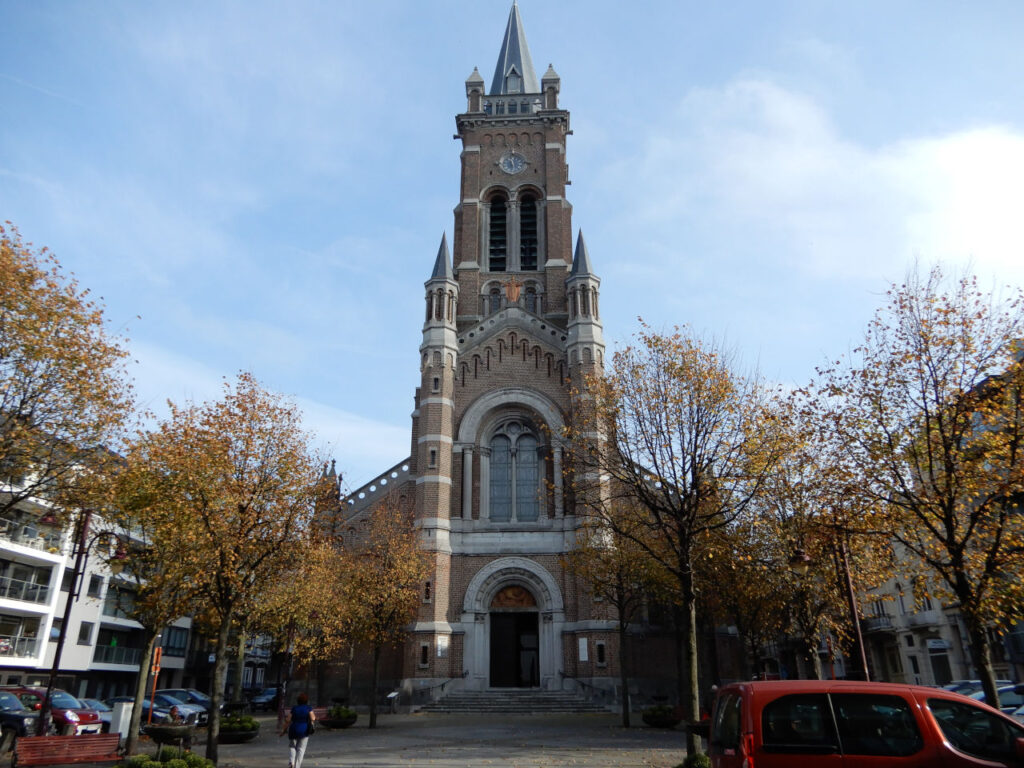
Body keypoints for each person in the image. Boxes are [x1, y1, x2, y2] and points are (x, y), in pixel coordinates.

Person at [279, 692, 315, 768]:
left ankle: (291, 762)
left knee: (292, 747)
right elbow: (313, 718)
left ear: (298, 701)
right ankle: (297, 766)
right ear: (306, 701)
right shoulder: (308, 708)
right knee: (301, 749)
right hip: (304, 730)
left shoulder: (294, 708)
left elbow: (288, 720)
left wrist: (283, 731)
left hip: (293, 729)